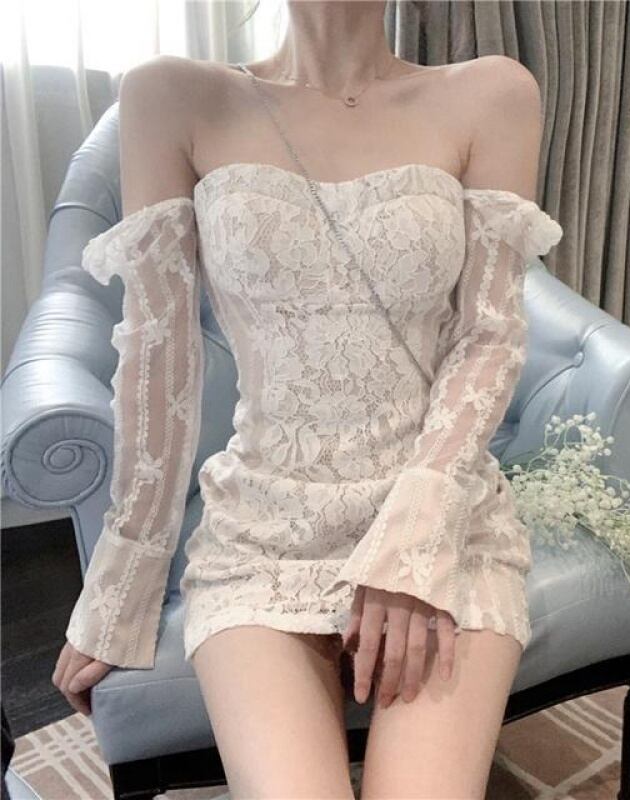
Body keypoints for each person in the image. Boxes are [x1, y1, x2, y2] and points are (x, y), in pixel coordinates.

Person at [52, 1, 564, 796]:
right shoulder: (170, 95)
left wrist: (415, 540)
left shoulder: (493, 93)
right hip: (265, 532)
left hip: (437, 516)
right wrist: (120, 589)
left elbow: (488, 338)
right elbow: (160, 360)